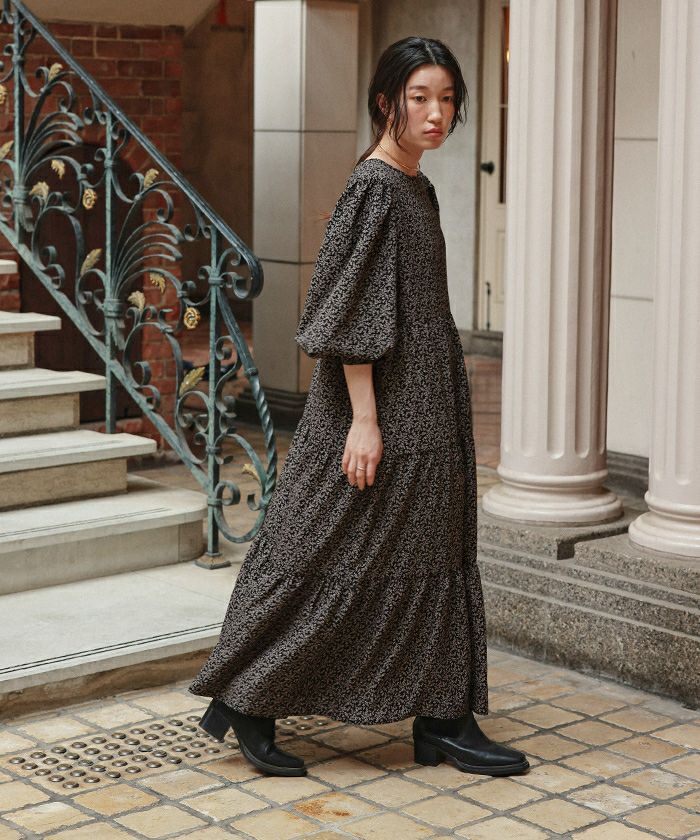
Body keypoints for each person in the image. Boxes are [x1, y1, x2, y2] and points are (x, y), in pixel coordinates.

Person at [190, 35, 530, 779]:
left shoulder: (416, 186)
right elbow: (346, 310)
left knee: (432, 554)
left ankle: (443, 718)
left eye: (447, 99)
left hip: (429, 405)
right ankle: (248, 696)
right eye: (420, 98)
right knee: (327, 550)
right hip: (384, 408)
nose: (436, 113)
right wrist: (366, 421)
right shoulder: (375, 189)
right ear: (386, 102)